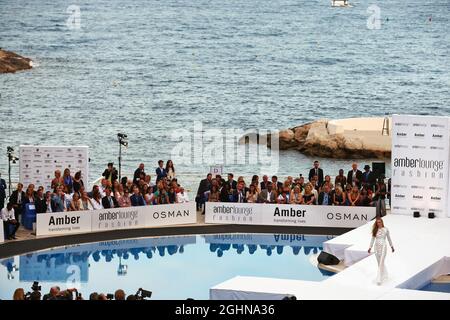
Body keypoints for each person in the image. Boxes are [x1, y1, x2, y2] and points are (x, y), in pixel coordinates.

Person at [368, 218, 394, 285]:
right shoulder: (375, 230)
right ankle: (384, 274)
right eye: (377, 222)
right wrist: (370, 247)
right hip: (376, 247)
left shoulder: (386, 229)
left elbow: (389, 238)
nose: (379, 223)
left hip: (383, 247)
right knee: (379, 263)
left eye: (380, 222)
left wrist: (392, 246)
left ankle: (379, 279)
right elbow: (372, 239)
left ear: (382, 222)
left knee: (381, 261)